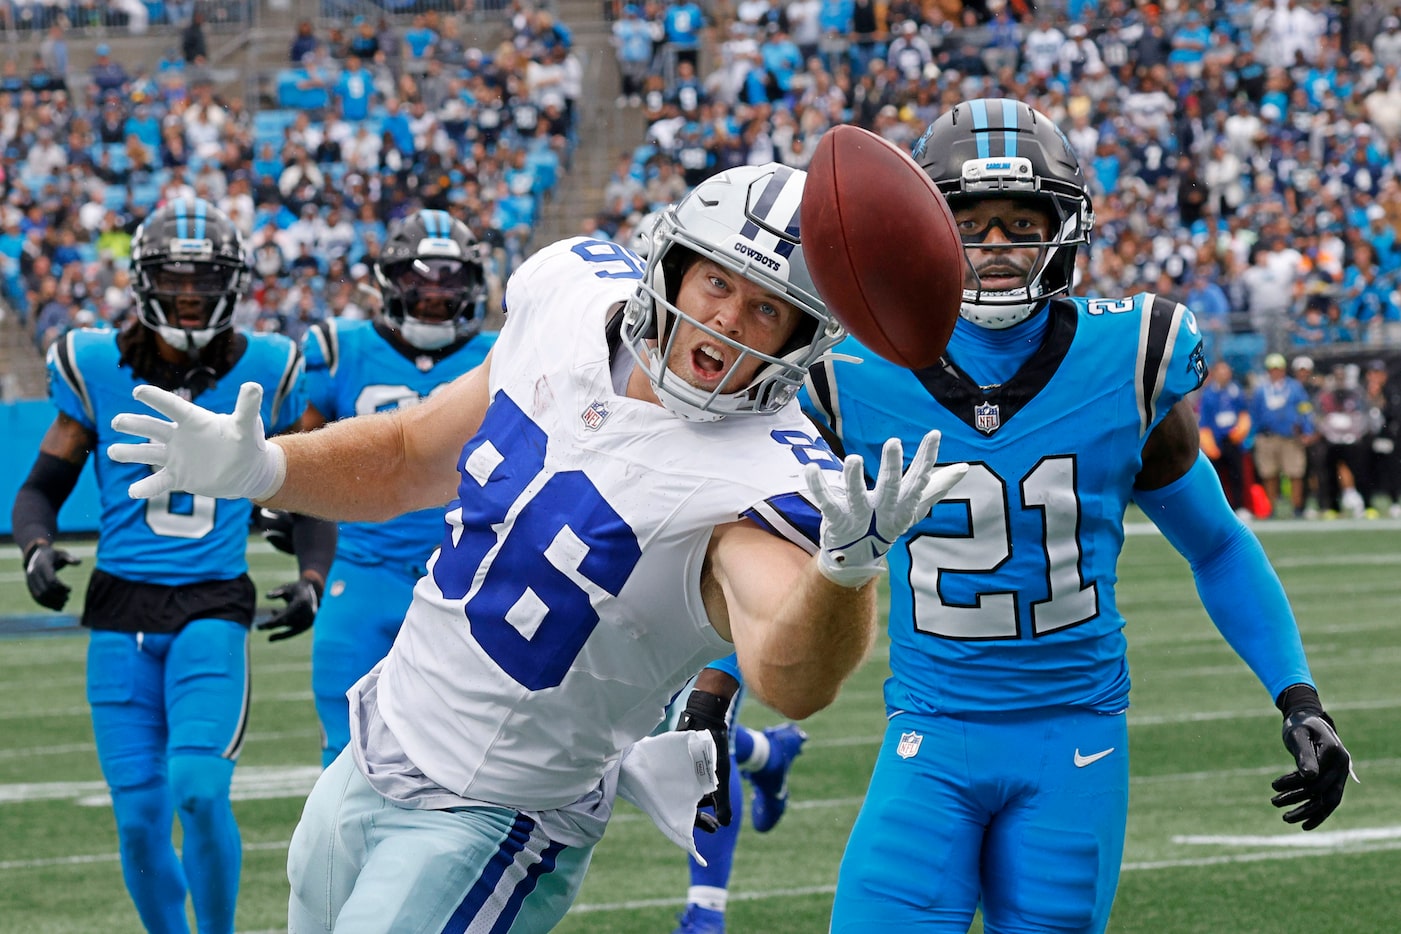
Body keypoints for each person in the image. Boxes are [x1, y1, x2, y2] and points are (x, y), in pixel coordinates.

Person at [106, 164, 969, 932]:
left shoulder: (761, 478)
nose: (727, 322)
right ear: (669, 263)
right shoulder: (568, 296)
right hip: (380, 738)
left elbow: (792, 677)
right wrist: (263, 467)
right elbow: (411, 456)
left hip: (498, 814)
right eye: (715, 281)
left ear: (799, 339)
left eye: (766, 308)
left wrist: (843, 574)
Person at [802, 100, 1353, 933]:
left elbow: (1215, 547)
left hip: (1074, 735)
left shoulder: (1128, 357)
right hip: (929, 729)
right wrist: (712, 691)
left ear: (1064, 227)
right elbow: (774, 549)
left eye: (1020, 222)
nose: (993, 248)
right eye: (968, 223)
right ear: (923, 232)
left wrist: (1299, 698)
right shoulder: (847, 373)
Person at [10, 198, 335, 934]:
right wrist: (34, 542)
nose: (190, 297)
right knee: (138, 820)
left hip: (211, 605)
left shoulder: (267, 365)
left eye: (204, 282)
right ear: (144, 282)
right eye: (176, 282)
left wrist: (314, 573)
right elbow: (39, 489)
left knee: (196, 788)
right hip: (117, 611)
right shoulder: (93, 360)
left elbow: (311, 490)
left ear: (233, 285)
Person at [294, 209, 498, 768]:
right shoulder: (340, 349)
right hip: (363, 575)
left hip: (468, 584)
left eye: (449, 283)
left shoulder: (504, 356)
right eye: (419, 280)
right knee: (344, 759)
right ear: (389, 283)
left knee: (468, 768)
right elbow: (300, 449)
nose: (433, 297)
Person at [1250, 352, 1316, 518]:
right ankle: (1271, 508)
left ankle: (1297, 507)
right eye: (1272, 369)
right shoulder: (1261, 390)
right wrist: (1253, 435)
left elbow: (1305, 408)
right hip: (1267, 437)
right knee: (1269, 474)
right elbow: (1255, 413)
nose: (1275, 372)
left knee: (1295, 473)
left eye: (1278, 369)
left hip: (1290, 436)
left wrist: (1307, 429)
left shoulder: (1294, 387)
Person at [1197, 358, 1253, 515]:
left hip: (1233, 439)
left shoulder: (1237, 391)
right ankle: (1218, 508)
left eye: (1226, 372)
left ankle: (1240, 506)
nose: (1224, 375)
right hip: (1215, 440)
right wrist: (1208, 442)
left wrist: (1239, 432)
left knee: (1237, 475)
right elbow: (1205, 420)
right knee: (1216, 478)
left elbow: (1244, 414)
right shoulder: (1208, 394)